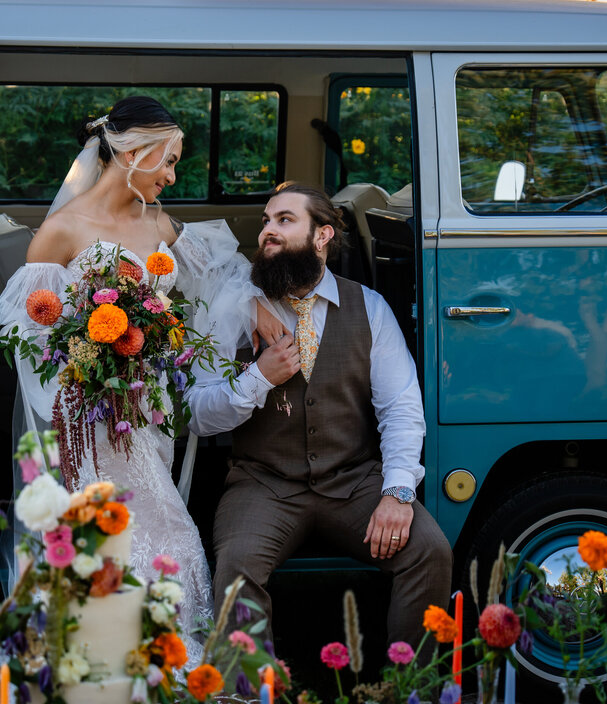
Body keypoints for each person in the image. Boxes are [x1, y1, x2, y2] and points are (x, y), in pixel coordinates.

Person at [0, 96, 284, 662]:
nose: (173, 176)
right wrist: (93, 371)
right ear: (135, 152)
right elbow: (30, 340)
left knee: (166, 529)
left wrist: (252, 308)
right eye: (169, 160)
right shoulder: (59, 232)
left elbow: (217, 273)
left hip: (146, 413)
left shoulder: (159, 222)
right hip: (87, 420)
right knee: (99, 540)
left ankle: (167, 654)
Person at [186, 181, 453, 648]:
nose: (268, 231)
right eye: (267, 221)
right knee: (235, 567)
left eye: (284, 220)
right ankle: (252, 695)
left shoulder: (369, 308)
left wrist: (397, 492)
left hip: (355, 481)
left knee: (430, 552)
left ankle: (412, 691)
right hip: (263, 483)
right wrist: (258, 379)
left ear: (323, 236)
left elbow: (401, 408)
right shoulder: (232, 311)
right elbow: (198, 415)